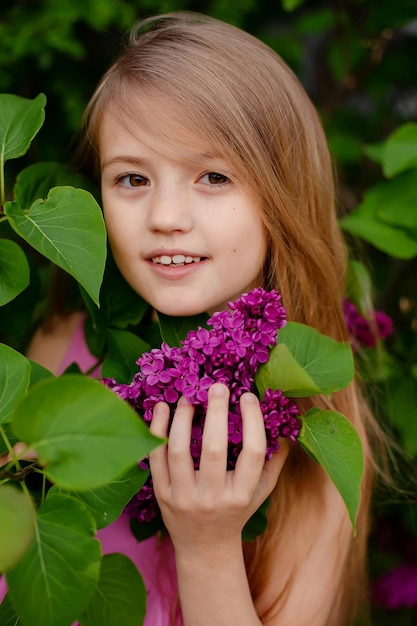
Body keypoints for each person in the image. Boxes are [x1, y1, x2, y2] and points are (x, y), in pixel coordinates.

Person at [2, 11, 386, 625]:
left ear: (280, 195)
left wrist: (207, 547)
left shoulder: (310, 449)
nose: (166, 216)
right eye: (132, 177)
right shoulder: (64, 346)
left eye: (213, 176)